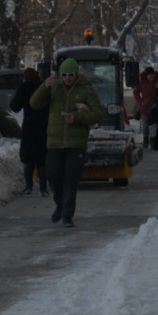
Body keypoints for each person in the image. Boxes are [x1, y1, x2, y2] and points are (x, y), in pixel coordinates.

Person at [29, 57, 104, 228]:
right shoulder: (55, 88)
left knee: (71, 178)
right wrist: (44, 87)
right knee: (54, 176)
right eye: (64, 74)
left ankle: (67, 215)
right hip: (54, 143)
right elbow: (35, 104)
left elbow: (98, 113)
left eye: (71, 74)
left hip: (76, 143)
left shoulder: (86, 89)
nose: (67, 78)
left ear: (76, 75)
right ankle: (60, 205)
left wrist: (76, 118)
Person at [9, 67, 49, 196]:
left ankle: (29, 187)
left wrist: (21, 89)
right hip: (44, 127)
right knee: (42, 160)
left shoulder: (25, 87)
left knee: (29, 159)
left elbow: (14, 106)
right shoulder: (44, 87)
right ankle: (44, 189)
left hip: (30, 128)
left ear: (25, 77)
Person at [132, 67, 158, 148]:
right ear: (146, 75)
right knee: (145, 126)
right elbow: (135, 92)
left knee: (154, 125)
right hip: (145, 107)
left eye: (152, 76)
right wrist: (141, 101)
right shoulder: (141, 82)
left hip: (155, 107)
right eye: (150, 76)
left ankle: (152, 140)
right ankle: (145, 139)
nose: (151, 78)